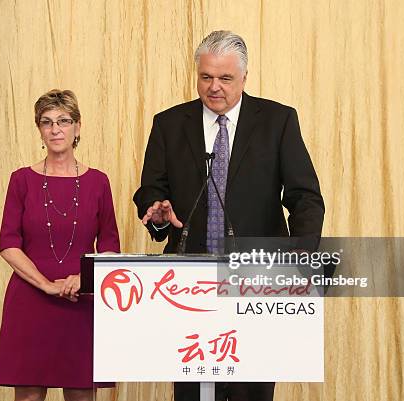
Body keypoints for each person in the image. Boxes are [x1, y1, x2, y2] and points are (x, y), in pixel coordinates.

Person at [133, 31, 325, 401]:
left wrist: (297, 260)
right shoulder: (169, 124)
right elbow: (151, 192)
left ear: (245, 77)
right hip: (188, 286)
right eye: (206, 77)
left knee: (249, 391)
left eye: (225, 78)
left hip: (256, 282)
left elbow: (306, 198)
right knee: (193, 390)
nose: (214, 87)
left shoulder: (278, 120)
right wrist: (156, 211)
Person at [0, 89, 120, 401]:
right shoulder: (21, 180)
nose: (55, 129)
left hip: (82, 301)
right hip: (30, 300)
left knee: (81, 395)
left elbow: (109, 244)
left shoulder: (98, 182)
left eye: (63, 121)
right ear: (39, 129)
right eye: (47, 122)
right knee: (28, 396)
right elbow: (8, 243)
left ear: (78, 127)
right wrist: (46, 285)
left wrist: (85, 279)